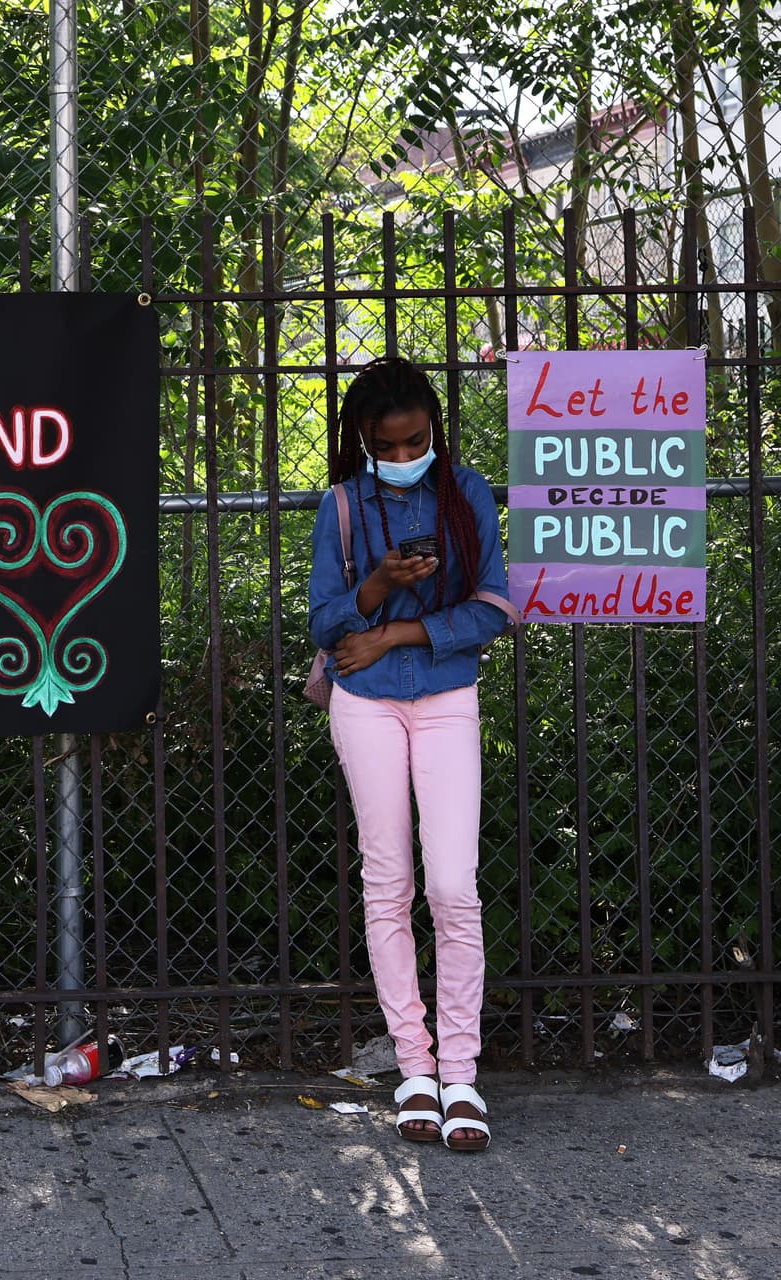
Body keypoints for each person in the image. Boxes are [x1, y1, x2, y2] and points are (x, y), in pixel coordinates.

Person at [308, 356, 516, 1153]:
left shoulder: (465, 493)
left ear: (435, 428)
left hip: (443, 693)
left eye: (414, 442)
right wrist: (376, 587)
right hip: (364, 704)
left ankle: (461, 1073)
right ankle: (415, 1070)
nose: (401, 458)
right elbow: (325, 621)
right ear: (361, 440)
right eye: (385, 447)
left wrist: (398, 626)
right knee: (387, 882)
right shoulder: (344, 504)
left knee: (453, 885)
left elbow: (495, 604)